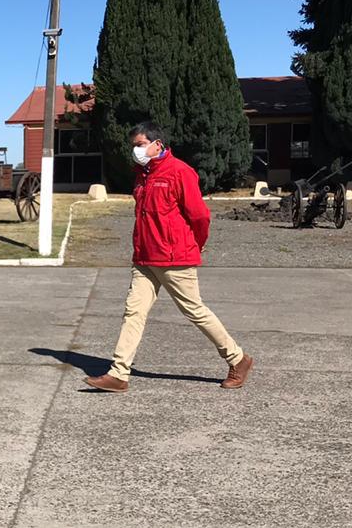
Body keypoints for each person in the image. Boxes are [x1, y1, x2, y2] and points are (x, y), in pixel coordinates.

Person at [84, 121, 254, 393]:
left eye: (140, 144)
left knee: (194, 310)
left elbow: (200, 215)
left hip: (174, 258)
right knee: (133, 312)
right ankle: (119, 374)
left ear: (157, 144)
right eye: (134, 146)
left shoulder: (180, 172)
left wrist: (197, 244)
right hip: (144, 257)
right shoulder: (143, 174)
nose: (136, 150)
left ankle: (238, 359)